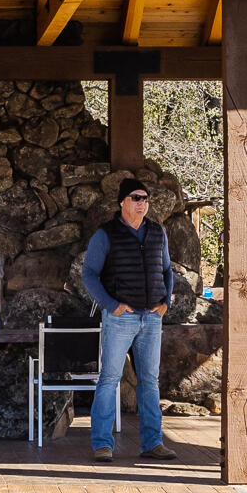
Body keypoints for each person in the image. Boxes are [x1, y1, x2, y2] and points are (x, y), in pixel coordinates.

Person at [79, 178, 179, 463]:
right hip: (121, 319)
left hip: (152, 318)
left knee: (149, 380)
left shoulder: (158, 233)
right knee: (109, 378)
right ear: (122, 201)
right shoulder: (105, 235)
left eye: (145, 198)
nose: (141, 203)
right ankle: (102, 444)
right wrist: (112, 306)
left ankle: (153, 443)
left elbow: (168, 270)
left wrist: (166, 302)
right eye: (136, 197)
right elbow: (89, 274)